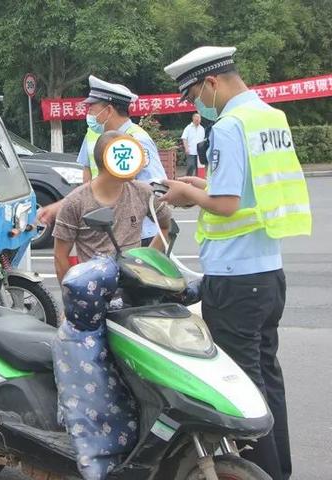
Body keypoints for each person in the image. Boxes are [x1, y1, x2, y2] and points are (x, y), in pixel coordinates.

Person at [162, 46, 311, 480]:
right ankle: (278, 470)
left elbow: (225, 205)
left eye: (192, 96)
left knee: (243, 392)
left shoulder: (229, 126)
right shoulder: (270, 118)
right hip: (267, 273)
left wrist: (187, 194)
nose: (195, 106)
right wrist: (199, 184)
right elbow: (245, 190)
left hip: (234, 278)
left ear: (211, 83)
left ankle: (256, 474)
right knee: (268, 382)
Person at [39, 75, 168, 247]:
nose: (89, 114)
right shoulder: (98, 137)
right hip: (113, 231)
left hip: (140, 235)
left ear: (108, 110)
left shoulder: (134, 141)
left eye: (92, 108)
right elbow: (91, 183)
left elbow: (157, 188)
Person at [52, 131, 171, 282]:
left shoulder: (144, 192)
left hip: (134, 293)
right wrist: (72, 295)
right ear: (107, 161)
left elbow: (166, 227)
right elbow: (60, 256)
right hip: (94, 293)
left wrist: (145, 263)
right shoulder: (75, 202)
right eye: (126, 157)